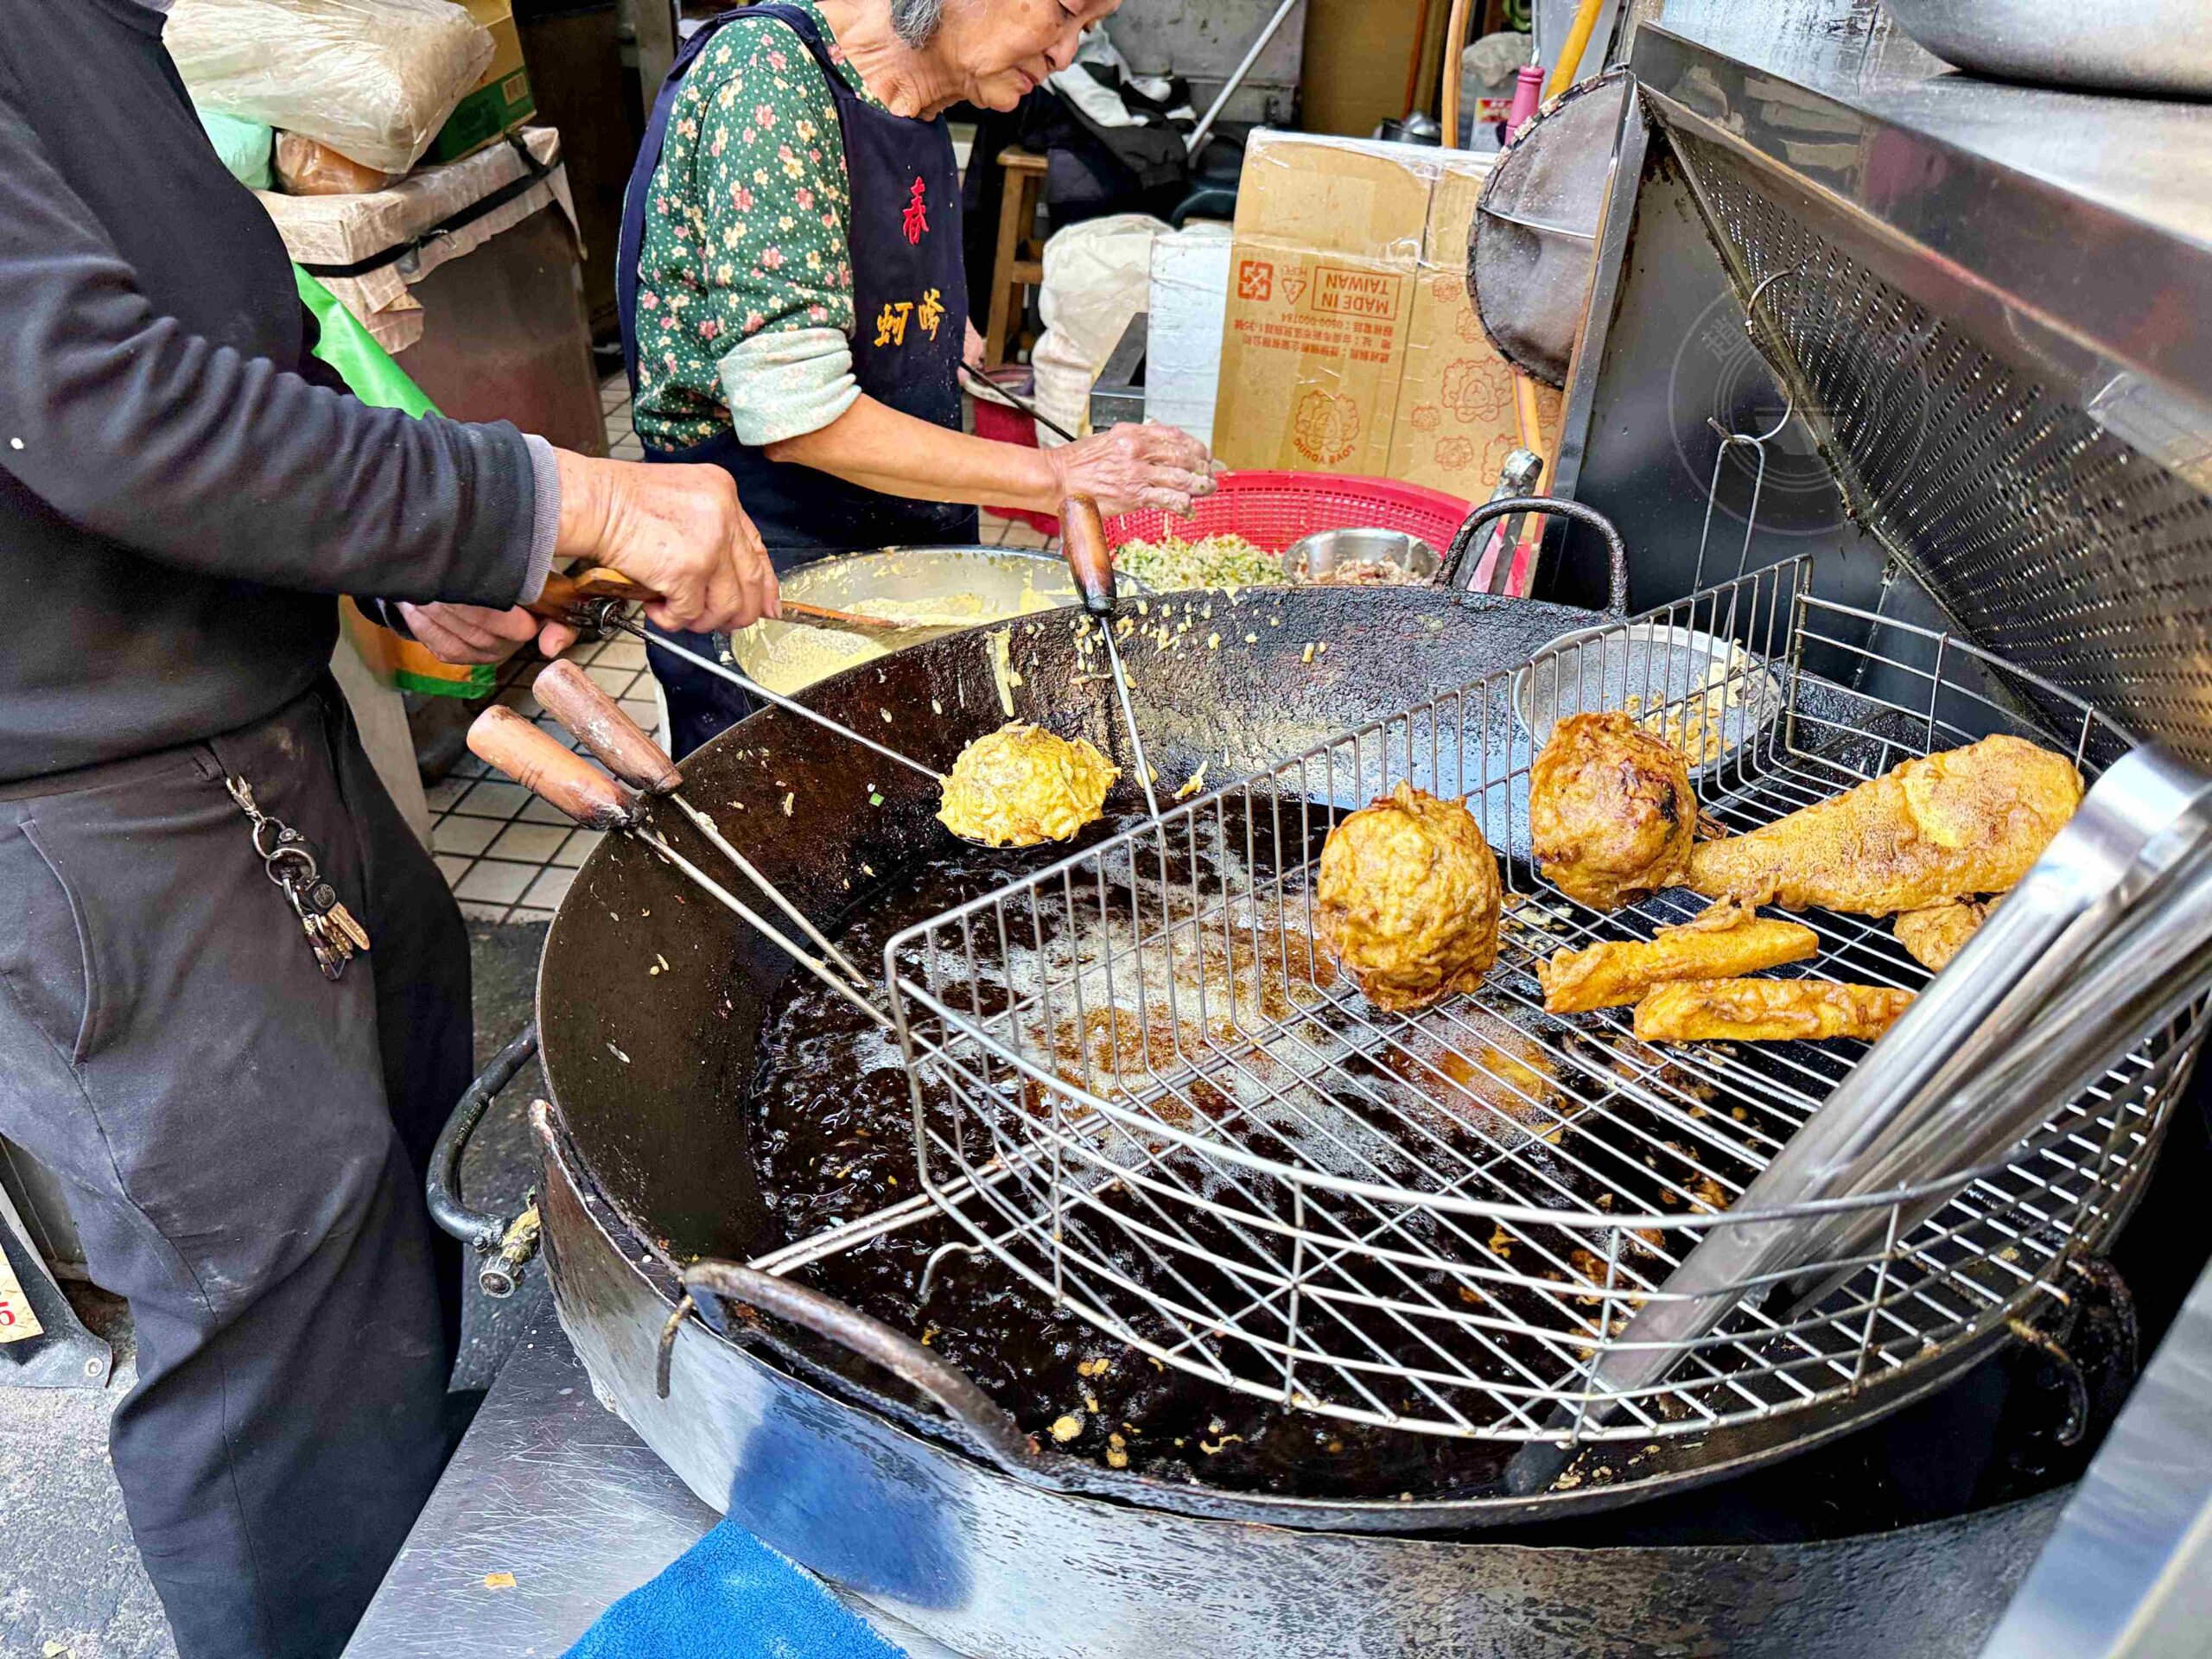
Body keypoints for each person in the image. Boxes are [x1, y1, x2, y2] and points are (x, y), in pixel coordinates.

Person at [0, 4, 776, 1656]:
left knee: (392, 1199)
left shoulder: (93, 32)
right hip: (90, 822)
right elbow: (87, 404)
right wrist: (564, 495)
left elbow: (226, 363)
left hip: (259, 737)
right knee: (274, 1343)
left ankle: (409, 1579)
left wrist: (413, 546)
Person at [620, 0, 1217, 756]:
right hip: (765, 577)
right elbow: (798, 414)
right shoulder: (767, 78)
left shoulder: (919, 98)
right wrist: (1056, 474)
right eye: (1066, 12)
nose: (1067, 52)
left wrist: (935, 336)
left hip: (904, 544)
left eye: (1088, 29)